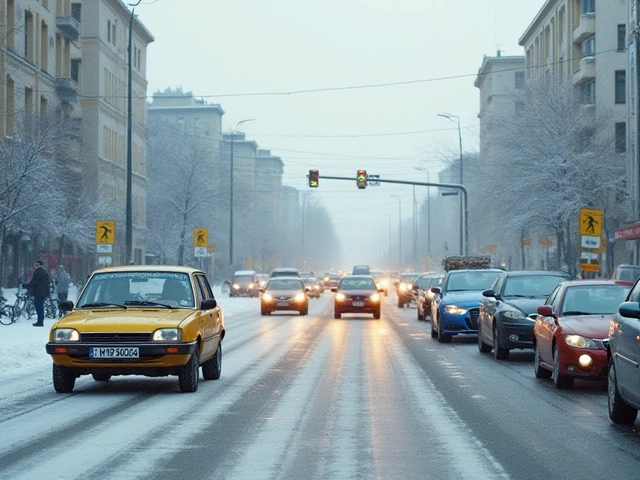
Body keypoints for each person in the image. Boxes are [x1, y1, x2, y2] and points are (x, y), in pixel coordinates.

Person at [23, 260, 51, 327]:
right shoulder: (45, 272)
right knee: (41, 306)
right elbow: (48, 282)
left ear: (38, 265)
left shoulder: (37, 272)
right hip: (44, 292)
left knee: (38, 306)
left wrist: (26, 285)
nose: (35, 266)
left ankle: (40, 321)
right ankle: (41, 320)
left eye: (36, 264)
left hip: (38, 292)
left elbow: (34, 281)